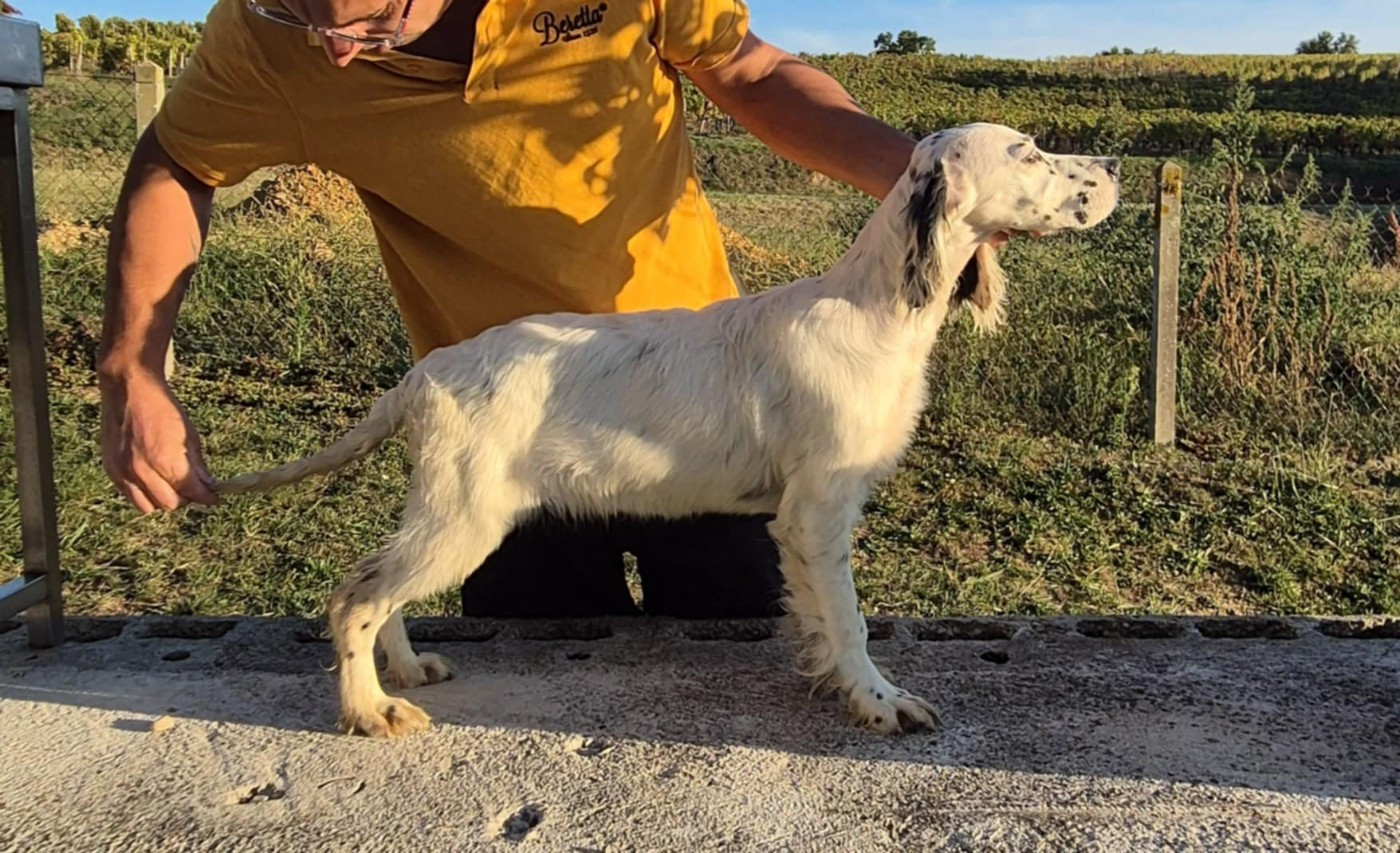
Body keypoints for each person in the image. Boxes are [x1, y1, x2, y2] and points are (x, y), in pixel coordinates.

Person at [97, 0, 918, 618]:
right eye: (298, 12)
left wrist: (926, 187)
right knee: (532, 696)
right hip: (510, 421)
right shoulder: (264, 37)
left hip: (701, 401)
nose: (337, 53)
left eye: (375, 19)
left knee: (739, 663)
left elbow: (751, 70)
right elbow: (179, 161)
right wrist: (133, 368)